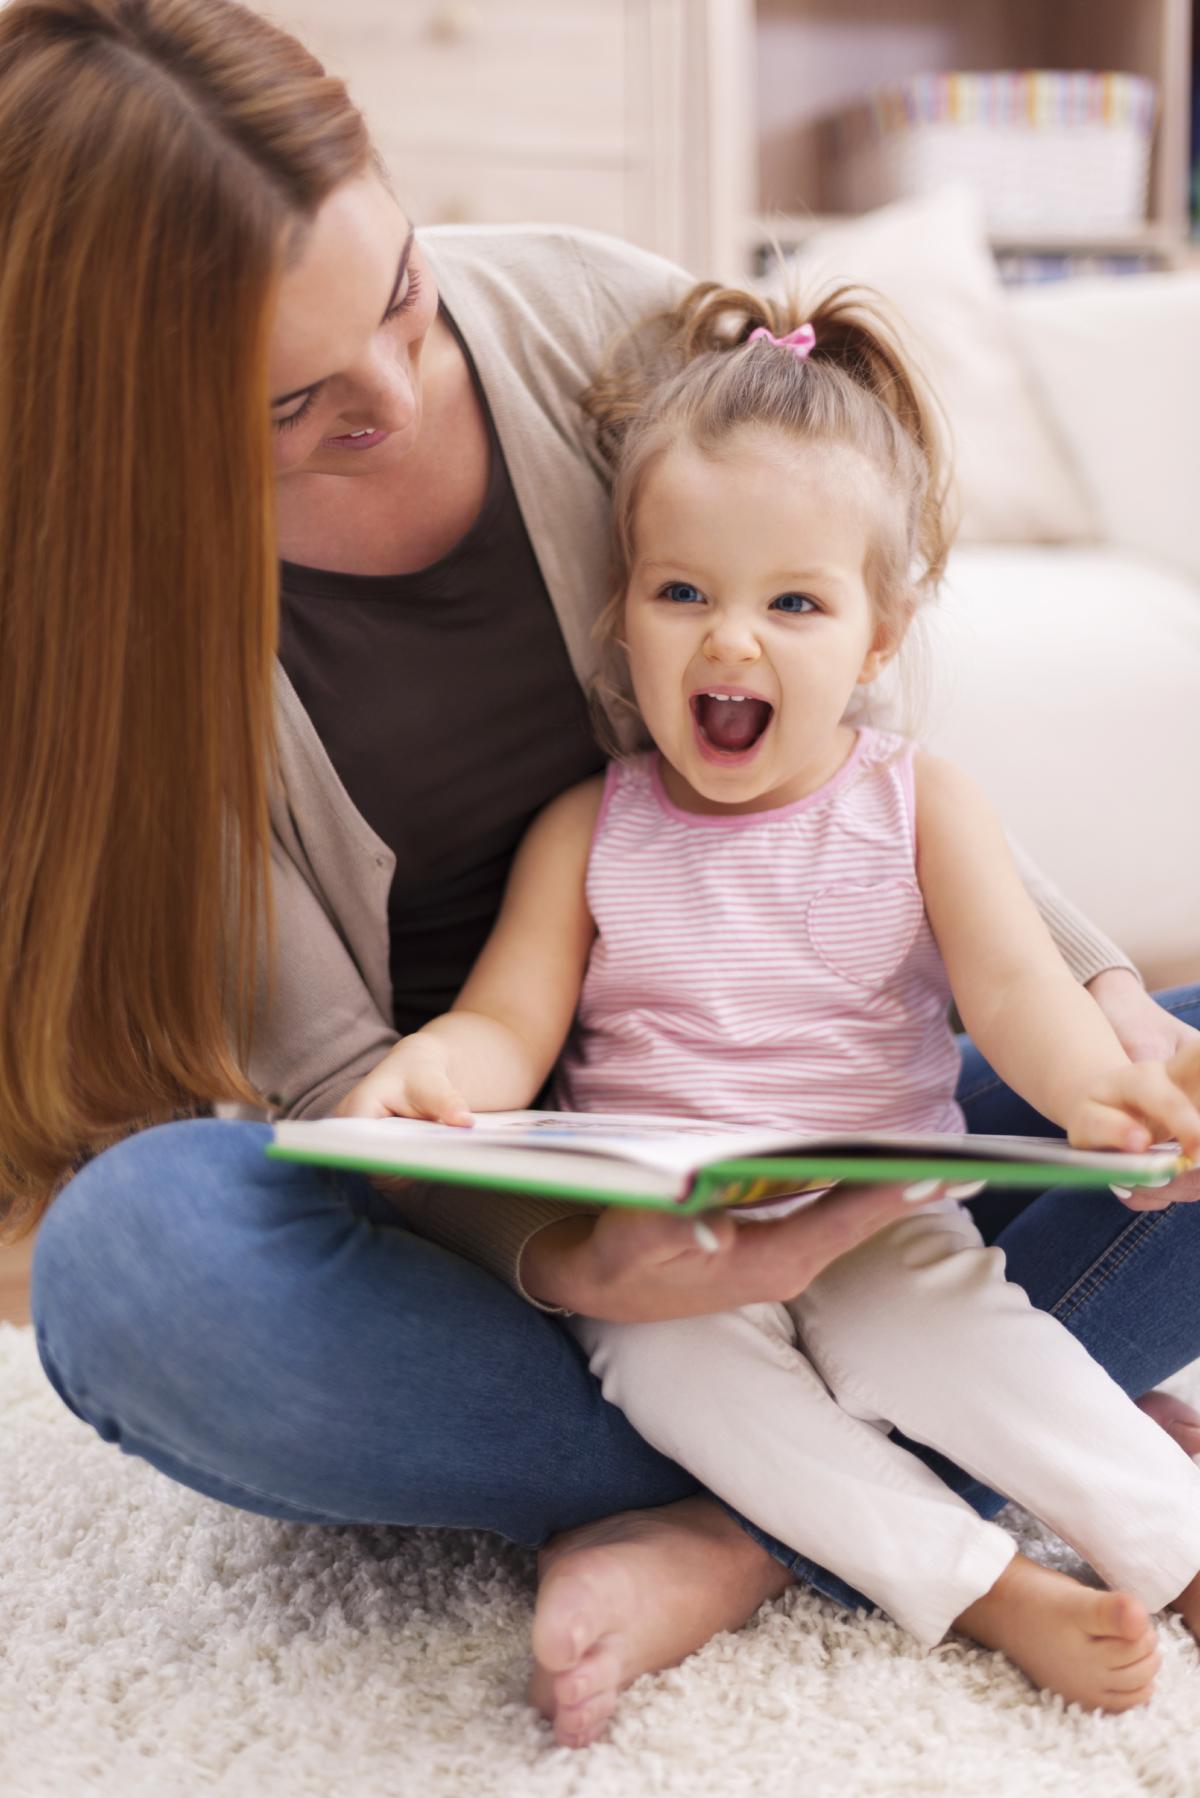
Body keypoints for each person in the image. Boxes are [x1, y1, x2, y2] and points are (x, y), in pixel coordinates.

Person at [0, 0, 1196, 1754]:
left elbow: (885, 797)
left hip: (841, 1126)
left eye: (400, 293)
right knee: (139, 1266)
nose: (399, 399)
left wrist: (1108, 1035)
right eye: (293, 406)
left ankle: (749, 1530)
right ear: (131, 436)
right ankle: (848, 1480)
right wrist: (579, 1256)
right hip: (509, 1231)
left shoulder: (613, 332)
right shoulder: (98, 646)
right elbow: (383, 1085)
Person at [335, 284, 1200, 1739]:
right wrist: (429, 1071)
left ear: (876, 635)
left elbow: (1017, 993)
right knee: (683, 1384)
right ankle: (985, 1584)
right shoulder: (587, 827)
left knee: (965, 1354)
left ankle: (1174, 1534)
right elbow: (507, 1022)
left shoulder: (920, 802)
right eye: (684, 593)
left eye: (793, 603)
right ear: (621, 615)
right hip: (679, 1247)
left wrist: (1101, 1093)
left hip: (881, 1218)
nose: (731, 642)